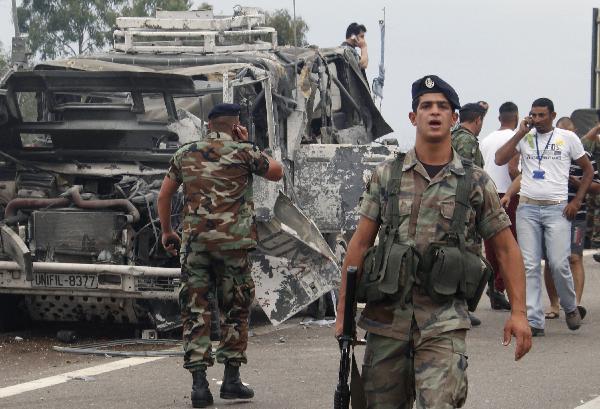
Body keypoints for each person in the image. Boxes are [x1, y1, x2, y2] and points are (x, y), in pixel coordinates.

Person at [335, 75, 531, 408]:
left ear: (454, 118)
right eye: (426, 106)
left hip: (444, 321)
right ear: (413, 117)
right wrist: (343, 312)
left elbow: (506, 248)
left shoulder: (474, 181)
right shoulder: (387, 175)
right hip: (386, 321)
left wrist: (519, 312)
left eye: (443, 106)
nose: (434, 112)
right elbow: (360, 244)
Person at [158, 103, 284, 408]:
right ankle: (230, 381)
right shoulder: (244, 152)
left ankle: (200, 387)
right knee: (236, 310)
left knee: (195, 311)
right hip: (234, 247)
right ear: (236, 124)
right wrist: (247, 141)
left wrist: (167, 231)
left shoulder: (186, 153)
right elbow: (277, 172)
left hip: (196, 246)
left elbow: (164, 195)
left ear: (208, 125)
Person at [495, 98, 593, 337]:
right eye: (533, 115)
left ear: (552, 115)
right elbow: (499, 159)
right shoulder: (526, 137)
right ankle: (535, 320)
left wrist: (576, 201)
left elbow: (588, 170)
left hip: (557, 209)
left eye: (541, 115)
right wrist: (519, 134)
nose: (536, 120)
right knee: (529, 265)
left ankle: (570, 307)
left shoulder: (567, 138)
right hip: (528, 208)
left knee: (560, 263)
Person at [541, 117, 600, 321]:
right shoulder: (548, 155)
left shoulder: (586, 157)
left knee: (574, 258)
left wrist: (576, 184)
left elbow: (596, 187)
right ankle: (554, 304)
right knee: (550, 261)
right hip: (550, 212)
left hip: (577, 214)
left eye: (570, 133)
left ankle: (575, 305)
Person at [480, 102, 521, 311]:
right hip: (508, 194)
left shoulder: (486, 140)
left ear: (499, 118)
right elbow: (514, 169)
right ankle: (498, 286)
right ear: (516, 117)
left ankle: (493, 284)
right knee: (510, 243)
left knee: (491, 245)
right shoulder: (515, 139)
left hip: (487, 193)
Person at [451, 102, 488, 326]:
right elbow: (464, 174)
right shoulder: (466, 141)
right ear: (478, 121)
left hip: (456, 206)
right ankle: (460, 306)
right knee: (468, 257)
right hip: (464, 208)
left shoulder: (455, 135)